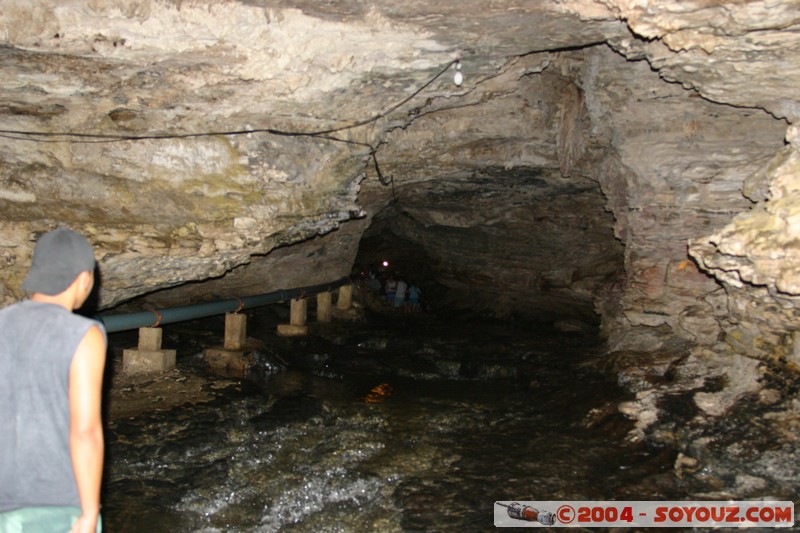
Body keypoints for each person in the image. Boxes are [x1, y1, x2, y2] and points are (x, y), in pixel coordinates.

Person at [0, 228, 107, 533]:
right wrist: (88, 513)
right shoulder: (84, 335)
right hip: (57, 502)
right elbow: (85, 431)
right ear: (84, 279)